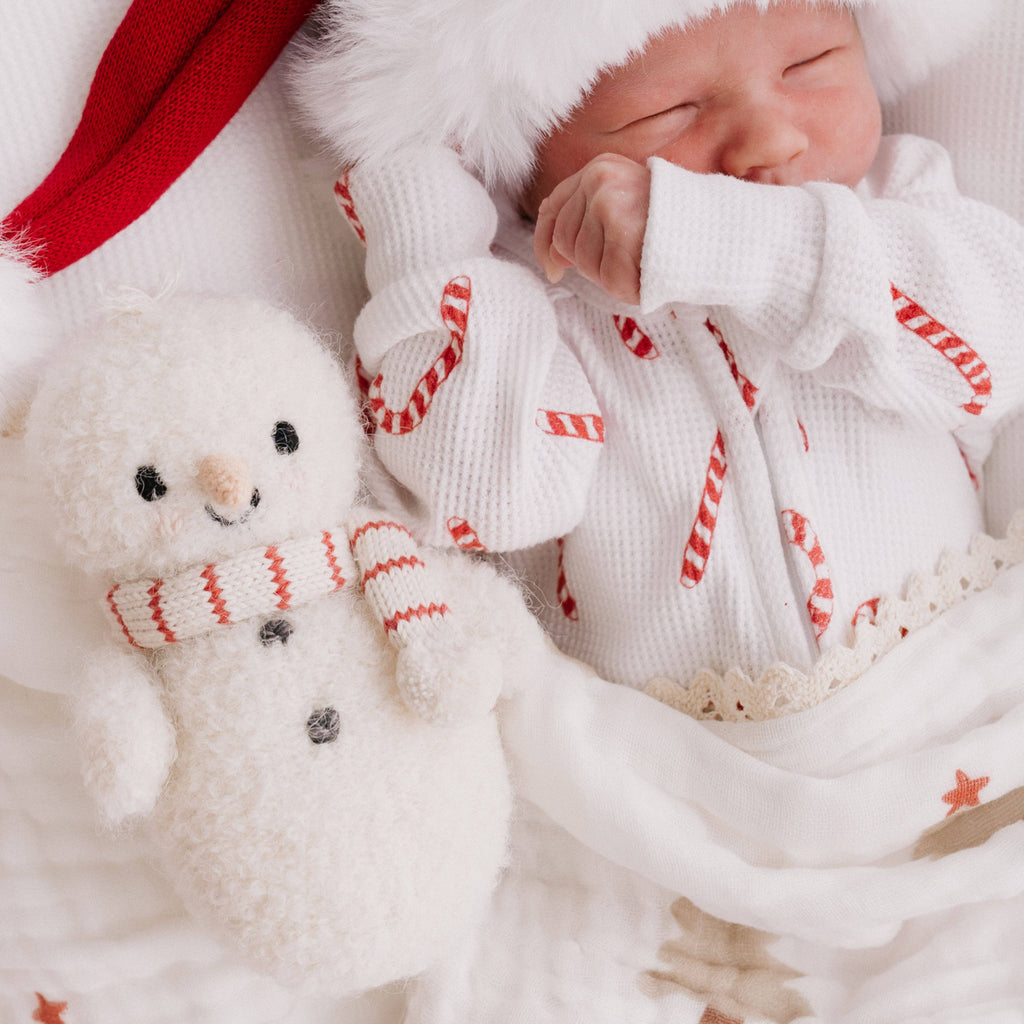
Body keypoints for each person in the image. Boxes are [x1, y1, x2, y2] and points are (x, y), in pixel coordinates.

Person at [302, 0, 1024, 707]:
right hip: (671, 769)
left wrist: (725, 238)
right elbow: (482, 500)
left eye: (809, 65)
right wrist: (427, 210)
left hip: (962, 698)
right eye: (667, 112)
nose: (769, 140)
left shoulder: (893, 206)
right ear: (522, 163)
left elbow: (996, 349)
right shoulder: (530, 300)